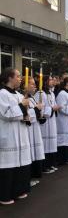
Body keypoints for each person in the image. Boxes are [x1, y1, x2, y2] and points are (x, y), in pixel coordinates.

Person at [0, 68, 31, 205]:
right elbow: (5, 114)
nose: (20, 79)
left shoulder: (19, 94)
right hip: (9, 134)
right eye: (18, 76)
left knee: (20, 163)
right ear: (9, 78)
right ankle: (5, 195)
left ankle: (18, 190)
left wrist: (27, 114)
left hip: (20, 133)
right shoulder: (2, 93)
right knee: (8, 165)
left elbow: (24, 113)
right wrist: (22, 106)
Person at [35, 76, 59, 174]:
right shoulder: (40, 93)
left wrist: (56, 108)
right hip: (45, 123)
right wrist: (52, 109)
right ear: (45, 82)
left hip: (52, 121)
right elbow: (40, 109)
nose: (52, 81)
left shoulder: (52, 93)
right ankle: (44, 166)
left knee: (51, 143)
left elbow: (54, 105)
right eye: (50, 80)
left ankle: (50, 163)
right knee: (45, 144)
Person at [26, 77, 45, 187]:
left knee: (34, 153)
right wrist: (37, 109)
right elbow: (26, 115)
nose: (34, 86)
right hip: (28, 129)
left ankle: (32, 175)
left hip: (34, 128)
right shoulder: (24, 98)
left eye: (34, 84)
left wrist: (39, 111)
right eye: (32, 84)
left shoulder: (32, 98)